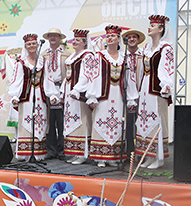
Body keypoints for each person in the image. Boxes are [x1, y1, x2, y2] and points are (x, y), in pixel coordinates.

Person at [72, 25, 125, 167]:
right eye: (108, 36)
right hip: (103, 95)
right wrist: (92, 96)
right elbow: (93, 76)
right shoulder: (100, 56)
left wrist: (131, 97)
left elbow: (128, 78)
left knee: (116, 123)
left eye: (113, 36)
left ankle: (112, 156)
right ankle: (101, 157)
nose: (110, 38)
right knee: (101, 121)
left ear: (119, 39)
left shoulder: (123, 58)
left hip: (118, 95)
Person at [9, 33, 57, 161]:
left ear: (37, 44)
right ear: (25, 46)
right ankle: (24, 152)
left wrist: (52, 94)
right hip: (26, 96)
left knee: (39, 122)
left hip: (40, 96)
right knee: (26, 121)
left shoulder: (43, 61)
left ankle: (38, 152)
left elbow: (48, 78)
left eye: (34, 43)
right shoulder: (21, 62)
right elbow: (17, 80)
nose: (32, 46)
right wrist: (15, 95)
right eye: (29, 44)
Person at [135, 15, 174, 169]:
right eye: (149, 25)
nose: (149, 27)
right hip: (145, 87)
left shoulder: (165, 48)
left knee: (157, 119)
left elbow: (166, 70)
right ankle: (148, 155)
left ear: (161, 29)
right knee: (145, 120)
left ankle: (158, 157)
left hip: (156, 89)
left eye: (153, 25)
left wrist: (166, 85)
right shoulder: (146, 47)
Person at [62, 29, 93, 164]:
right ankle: (75, 152)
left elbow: (86, 75)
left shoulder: (87, 56)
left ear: (85, 43)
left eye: (78, 40)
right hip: (70, 92)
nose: (74, 42)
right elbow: (67, 76)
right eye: (74, 39)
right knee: (71, 120)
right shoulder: (72, 56)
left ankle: (83, 153)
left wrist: (77, 89)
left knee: (81, 120)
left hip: (80, 93)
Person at [43, 27, 69, 160]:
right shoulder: (42, 55)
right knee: (49, 120)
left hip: (61, 88)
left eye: (55, 36)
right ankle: (51, 149)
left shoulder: (67, 54)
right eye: (50, 36)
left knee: (62, 121)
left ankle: (62, 149)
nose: (53, 38)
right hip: (47, 90)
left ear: (60, 38)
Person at [122, 27, 145, 160]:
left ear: (138, 40)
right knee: (128, 125)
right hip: (125, 95)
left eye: (134, 37)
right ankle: (128, 152)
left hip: (142, 94)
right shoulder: (122, 57)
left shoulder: (143, 55)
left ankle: (141, 153)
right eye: (129, 37)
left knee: (141, 124)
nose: (131, 39)